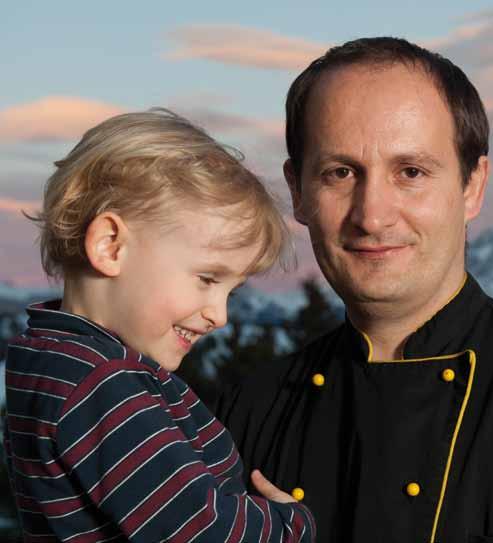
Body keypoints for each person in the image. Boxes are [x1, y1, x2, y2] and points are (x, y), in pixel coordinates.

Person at [217, 37, 493, 542]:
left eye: (410, 172)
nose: (372, 216)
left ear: (473, 186)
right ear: (298, 191)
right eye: (340, 173)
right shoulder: (248, 409)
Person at [2, 110, 315, 542]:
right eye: (207, 279)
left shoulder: (52, 357)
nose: (220, 315)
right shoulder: (102, 385)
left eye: (231, 292)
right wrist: (291, 525)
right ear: (111, 246)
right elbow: (201, 532)